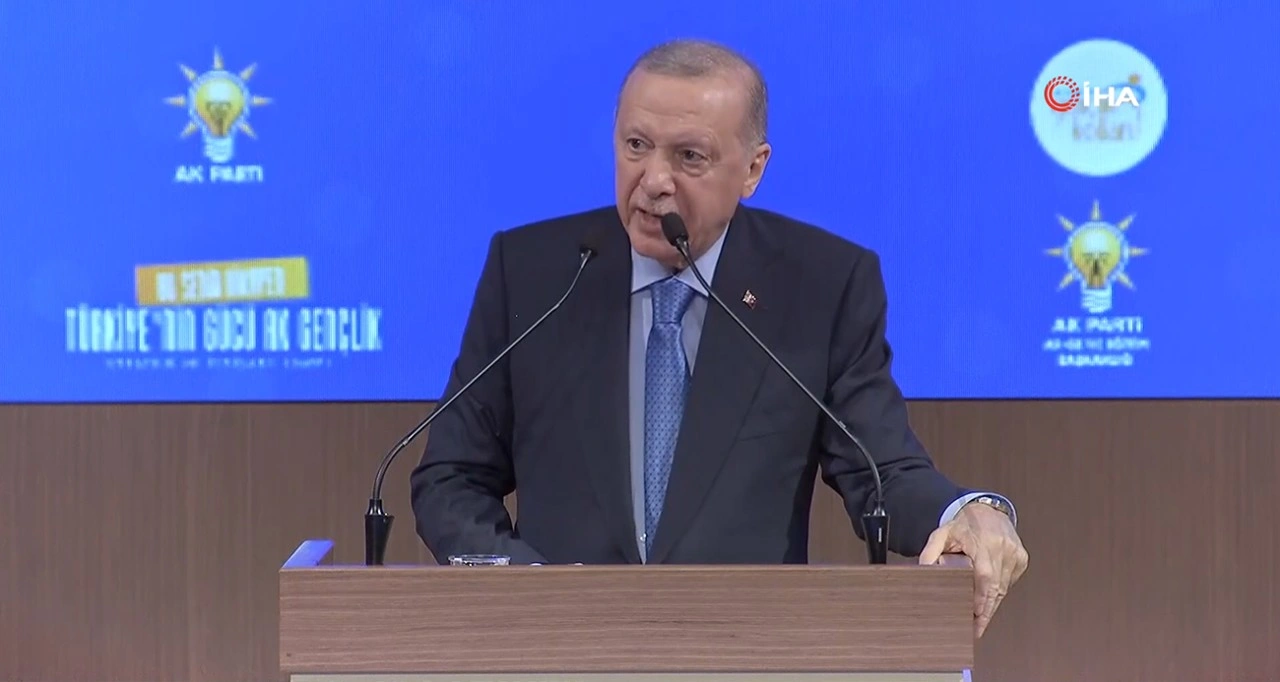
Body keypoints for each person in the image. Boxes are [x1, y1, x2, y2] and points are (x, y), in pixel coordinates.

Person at [410, 38, 1029, 637]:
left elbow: (880, 469)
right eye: (636, 146)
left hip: (746, 648)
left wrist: (967, 513)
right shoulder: (533, 273)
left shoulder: (822, 285)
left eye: (689, 157)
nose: (654, 179)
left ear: (753, 169)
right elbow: (451, 478)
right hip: (560, 647)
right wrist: (526, 585)